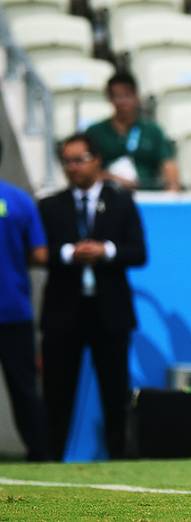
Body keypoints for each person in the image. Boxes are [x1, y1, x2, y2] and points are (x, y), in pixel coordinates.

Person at [39, 134, 147, 461]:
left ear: (97, 159)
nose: (73, 168)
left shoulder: (121, 202)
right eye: (67, 162)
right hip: (63, 311)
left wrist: (106, 251)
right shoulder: (49, 206)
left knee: (115, 393)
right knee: (57, 393)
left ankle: (120, 458)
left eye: (79, 159)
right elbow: (37, 253)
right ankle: (49, 460)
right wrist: (70, 253)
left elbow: (139, 252)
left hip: (110, 311)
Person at [0, 140, 50, 461]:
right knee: (24, 389)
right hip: (13, 310)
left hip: (13, 311)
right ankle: (40, 453)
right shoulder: (18, 200)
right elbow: (41, 254)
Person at [85, 72, 180, 191]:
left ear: (136, 97)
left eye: (127, 95)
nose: (123, 101)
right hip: (108, 195)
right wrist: (109, 178)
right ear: (109, 98)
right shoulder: (95, 132)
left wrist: (172, 190)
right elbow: (85, 170)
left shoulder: (153, 130)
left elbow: (168, 163)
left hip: (146, 194)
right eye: (117, 96)